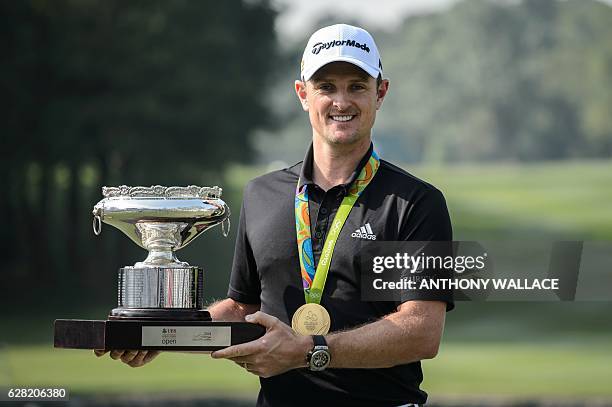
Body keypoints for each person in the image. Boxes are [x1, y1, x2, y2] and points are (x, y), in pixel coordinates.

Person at [96, 24, 453, 407]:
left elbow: (422, 331)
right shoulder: (261, 194)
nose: (342, 101)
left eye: (357, 86)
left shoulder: (418, 202)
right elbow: (241, 307)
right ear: (303, 94)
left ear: (380, 93)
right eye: (326, 87)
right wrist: (161, 334)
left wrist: (308, 350)